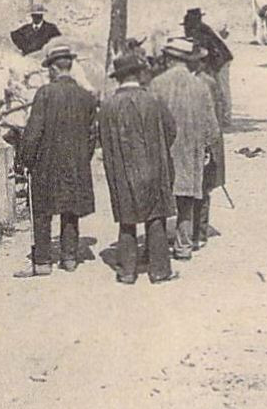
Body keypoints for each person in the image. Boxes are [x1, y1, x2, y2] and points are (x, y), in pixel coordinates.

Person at [15, 42, 98, 277]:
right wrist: (84, 158)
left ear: (52, 68)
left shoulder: (45, 94)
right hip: (75, 163)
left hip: (47, 163)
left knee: (42, 210)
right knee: (70, 207)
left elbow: (33, 133)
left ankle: (42, 262)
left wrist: (25, 160)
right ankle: (69, 258)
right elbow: (93, 135)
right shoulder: (86, 97)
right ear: (69, 66)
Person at [100, 50, 178, 286]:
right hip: (153, 167)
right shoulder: (153, 100)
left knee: (127, 218)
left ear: (119, 78)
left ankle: (127, 271)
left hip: (122, 170)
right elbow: (171, 131)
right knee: (155, 218)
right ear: (138, 74)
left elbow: (101, 140)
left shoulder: (108, 106)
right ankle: (159, 270)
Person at [150, 38, 220, 260]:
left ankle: (156, 247)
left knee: (158, 200)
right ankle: (184, 246)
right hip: (191, 151)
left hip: (163, 151)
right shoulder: (200, 86)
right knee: (186, 200)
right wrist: (206, 146)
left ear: (170, 59)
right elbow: (213, 127)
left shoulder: (157, 84)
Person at [184, 7, 234, 126]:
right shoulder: (202, 28)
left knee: (222, 88)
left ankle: (226, 118)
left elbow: (204, 52)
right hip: (218, 59)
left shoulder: (199, 31)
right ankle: (222, 117)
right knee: (218, 88)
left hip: (220, 60)